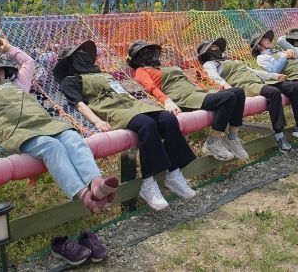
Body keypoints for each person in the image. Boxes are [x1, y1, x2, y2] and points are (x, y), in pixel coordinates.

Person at [0, 38, 119, 217]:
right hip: (17, 132)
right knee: (51, 146)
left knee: (73, 138)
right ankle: (84, 195)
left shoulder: (18, 84)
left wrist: (9, 48)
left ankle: (95, 182)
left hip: (46, 124)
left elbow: (28, 62)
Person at [54, 40, 197, 211]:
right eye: (79, 56)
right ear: (71, 62)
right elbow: (79, 104)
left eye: (85, 55)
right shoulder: (70, 81)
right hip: (111, 110)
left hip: (131, 105)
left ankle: (174, 173)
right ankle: (148, 182)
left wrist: (142, 104)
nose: (84, 57)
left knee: (168, 119)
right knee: (147, 124)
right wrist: (98, 121)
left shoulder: (104, 74)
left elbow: (122, 92)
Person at [128, 40, 248, 162]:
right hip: (182, 97)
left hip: (195, 92)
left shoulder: (164, 66)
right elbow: (151, 88)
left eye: (150, 50)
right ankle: (213, 142)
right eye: (144, 52)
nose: (150, 53)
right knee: (228, 97)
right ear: (137, 59)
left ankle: (232, 138)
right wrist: (167, 101)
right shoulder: (141, 71)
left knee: (238, 92)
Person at [197, 37, 298, 153]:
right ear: (207, 52)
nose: (217, 48)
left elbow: (253, 71)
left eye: (217, 47)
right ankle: (279, 135)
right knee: (273, 92)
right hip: (246, 86)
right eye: (213, 47)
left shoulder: (230, 60)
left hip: (259, 82)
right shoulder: (210, 64)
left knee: (294, 87)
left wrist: (274, 76)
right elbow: (214, 76)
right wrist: (225, 85)